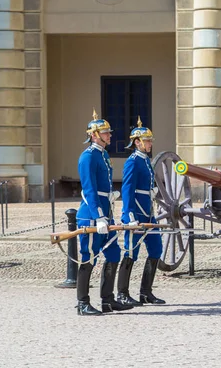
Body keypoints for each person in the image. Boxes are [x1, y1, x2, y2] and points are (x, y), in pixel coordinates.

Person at [75, 109, 133, 316]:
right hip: (92, 214)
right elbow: (89, 189)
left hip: (104, 213)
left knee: (113, 253)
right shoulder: (88, 157)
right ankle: (82, 303)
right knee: (88, 257)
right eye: (106, 133)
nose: (109, 135)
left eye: (109, 132)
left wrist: (110, 195)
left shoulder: (103, 154)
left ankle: (107, 300)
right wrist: (98, 215)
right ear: (94, 135)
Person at [116, 116, 166, 306]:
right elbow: (127, 189)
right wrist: (128, 214)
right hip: (135, 214)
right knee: (130, 252)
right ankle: (122, 293)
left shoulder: (145, 160)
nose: (150, 143)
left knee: (156, 249)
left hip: (148, 213)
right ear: (137, 142)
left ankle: (146, 293)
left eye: (150, 140)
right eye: (147, 140)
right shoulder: (133, 161)